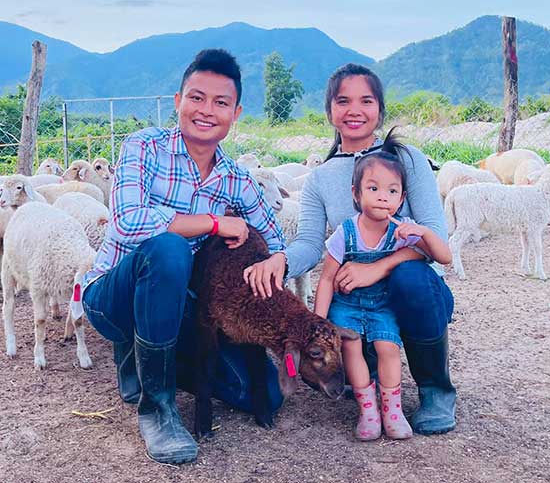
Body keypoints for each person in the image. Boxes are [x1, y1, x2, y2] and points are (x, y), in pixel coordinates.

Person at [81, 48, 288, 465]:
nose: (206, 111)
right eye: (196, 98)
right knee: (169, 249)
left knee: (260, 390)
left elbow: (276, 235)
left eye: (220, 102)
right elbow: (128, 222)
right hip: (112, 297)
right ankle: (157, 409)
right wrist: (213, 222)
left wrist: (278, 259)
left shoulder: (236, 178)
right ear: (178, 102)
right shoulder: (144, 147)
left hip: (176, 307)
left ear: (236, 113)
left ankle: (147, 363)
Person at [243, 63, 458, 435]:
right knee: (355, 330)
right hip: (356, 300)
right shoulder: (321, 178)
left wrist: (377, 268)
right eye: (343, 101)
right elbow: (311, 243)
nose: (354, 110)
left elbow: (434, 234)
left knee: (410, 276)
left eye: (366, 100)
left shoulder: (408, 161)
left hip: (415, 291)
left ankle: (435, 390)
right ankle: (367, 378)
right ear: (330, 111)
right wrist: (279, 260)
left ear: (379, 109)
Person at [314, 151, 452, 440]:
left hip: (382, 305)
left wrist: (424, 232)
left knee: (388, 347)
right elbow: (327, 278)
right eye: (373, 188)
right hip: (347, 305)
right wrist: (318, 322)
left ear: (401, 198)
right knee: (351, 347)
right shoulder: (346, 232)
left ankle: (393, 410)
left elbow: (444, 257)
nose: (382, 197)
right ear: (356, 193)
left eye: (392, 191)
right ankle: (368, 411)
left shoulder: (403, 230)